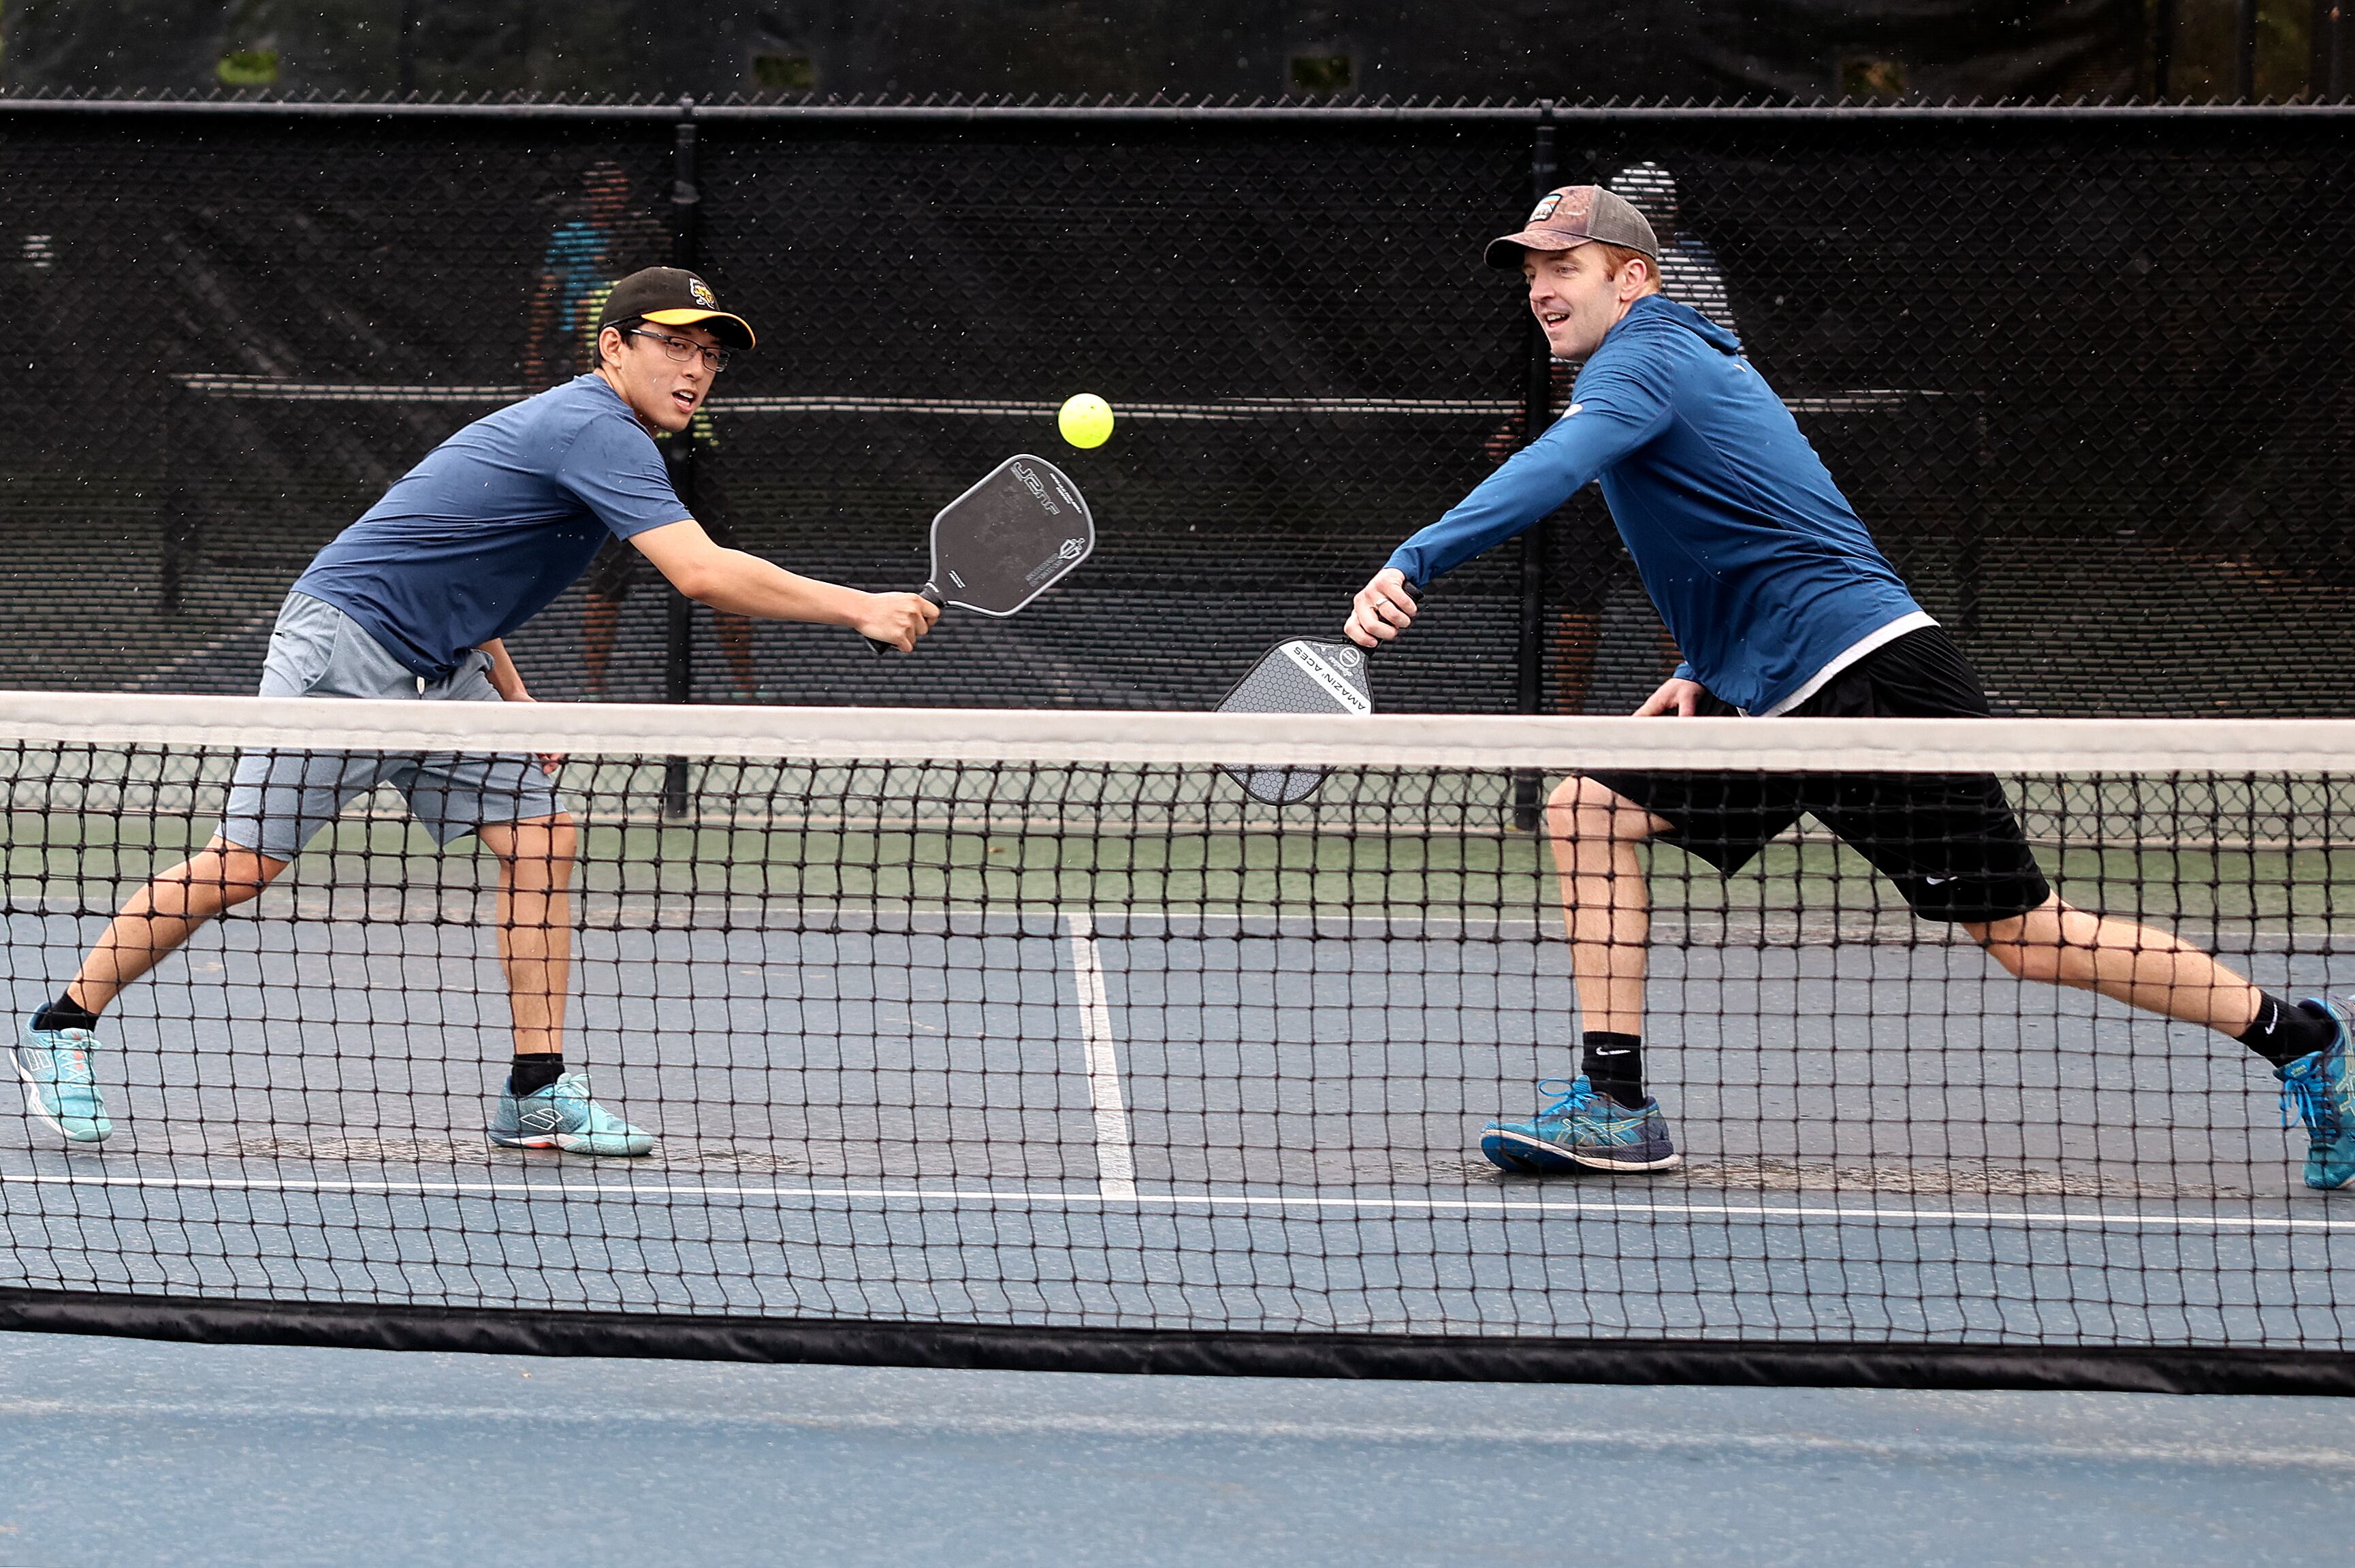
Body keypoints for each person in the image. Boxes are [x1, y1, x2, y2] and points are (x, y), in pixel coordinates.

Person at [1343, 186, 2355, 1191]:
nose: (1542, 290)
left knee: (2029, 939)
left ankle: (2295, 1034)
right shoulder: (1658, 366)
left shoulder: (1648, 353)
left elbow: (1558, 468)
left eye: (1565, 267)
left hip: (1871, 681)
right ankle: (1616, 1105)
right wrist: (1704, 664)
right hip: (1772, 693)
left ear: (1633, 277)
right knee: (1585, 811)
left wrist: (1413, 562)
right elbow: (1758, 515)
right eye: (1531, 273)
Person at [13, 267, 940, 1155]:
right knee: (242, 866)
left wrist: (512, 697)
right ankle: (61, 1025)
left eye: (712, 355)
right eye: (676, 346)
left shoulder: (608, 435)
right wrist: (859, 605)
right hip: (348, 648)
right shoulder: (598, 428)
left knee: (543, 839)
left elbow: (461, 551)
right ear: (615, 347)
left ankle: (536, 1088)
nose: (696, 370)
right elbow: (698, 573)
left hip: (446, 667)